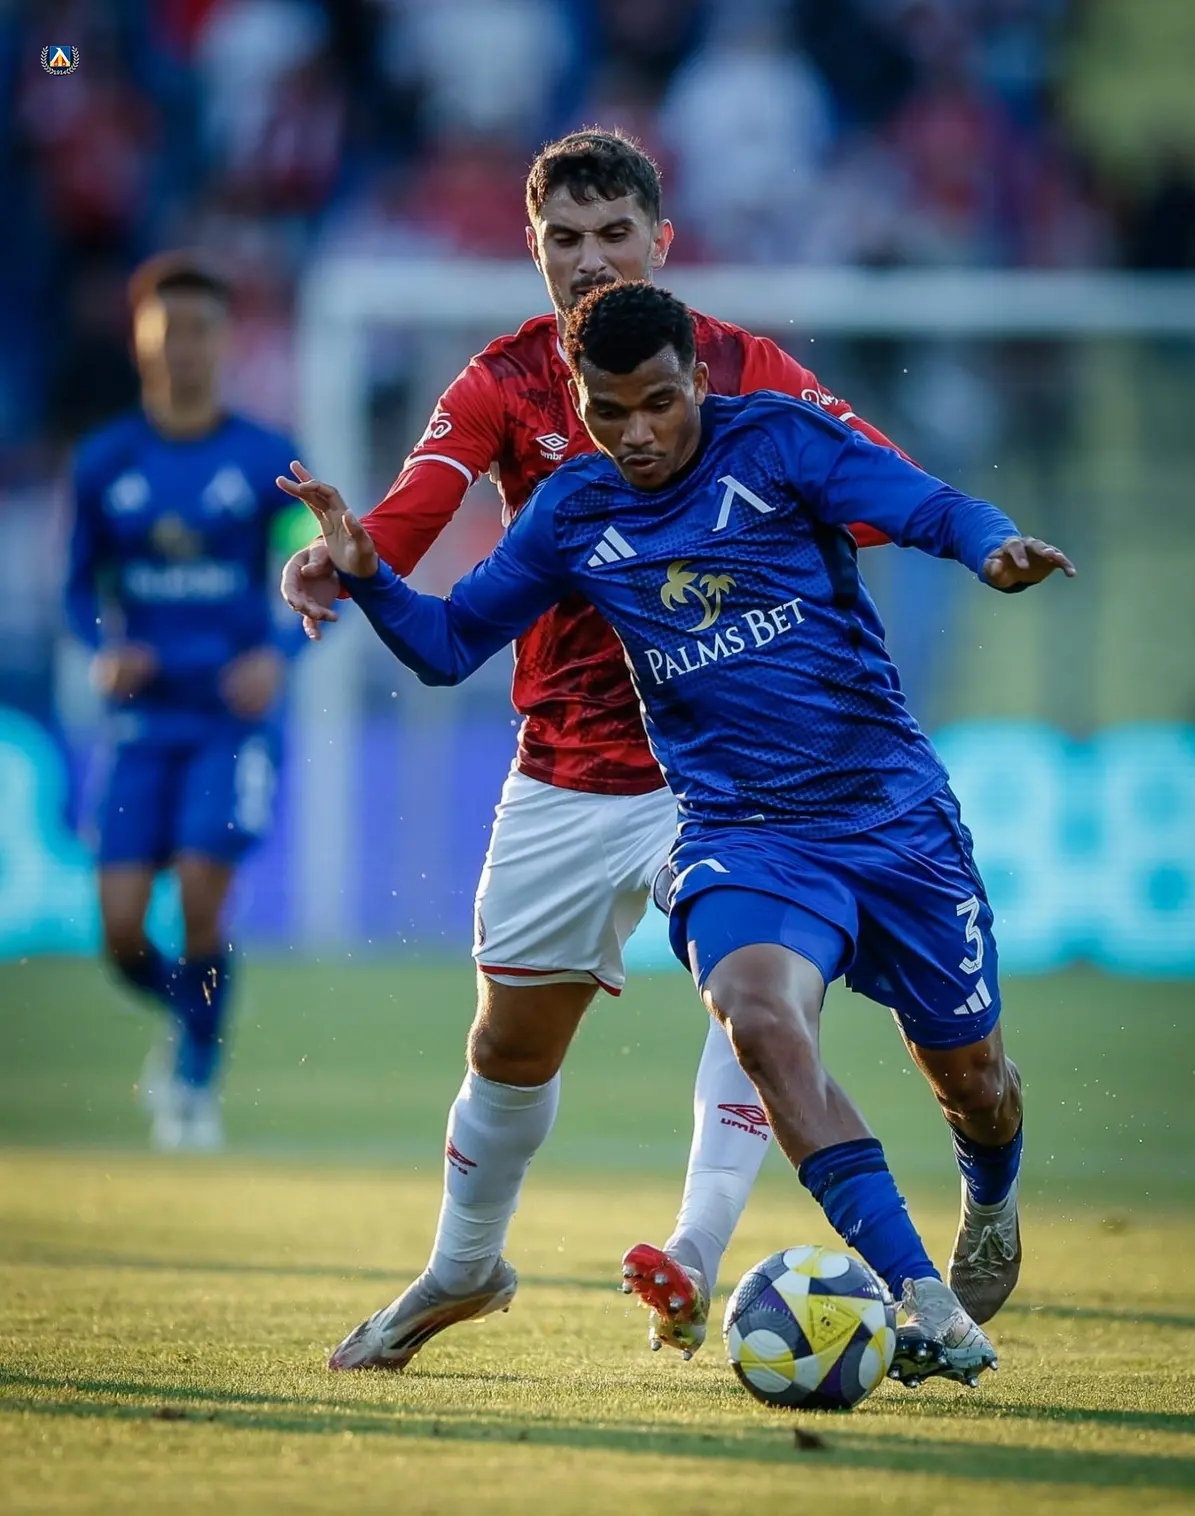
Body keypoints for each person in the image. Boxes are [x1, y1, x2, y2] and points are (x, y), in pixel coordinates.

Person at [280, 280, 1074, 1386]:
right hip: (745, 831)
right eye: (609, 412)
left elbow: (924, 505)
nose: (638, 434)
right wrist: (368, 574)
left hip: (890, 813)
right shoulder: (574, 509)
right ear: (581, 403)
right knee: (758, 1014)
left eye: (659, 403)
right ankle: (920, 1296)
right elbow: (453, 644)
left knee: (975, 1080)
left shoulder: (779, 444)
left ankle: (990, 1193)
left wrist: (991, 546)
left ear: (699, 378)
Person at [282, 129, 908, 1364]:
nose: (589, 259)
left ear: (660, 241)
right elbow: (407, 518)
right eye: (562, 239)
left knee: (756, 1000)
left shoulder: (744, 369)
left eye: (614, 233)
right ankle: (464, 1268)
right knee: (508, 1047)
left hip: (728, 767)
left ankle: (694, 1250)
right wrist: (340, 563)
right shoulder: (503, 382)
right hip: (566, 762)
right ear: (533, 249)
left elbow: (879, 488)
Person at [65, 253, 308, 1150]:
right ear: (140, 341)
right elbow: (76, 587)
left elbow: (315, 572)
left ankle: (197, 1076)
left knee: (204, 891)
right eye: (168, 332)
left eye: (201, 330)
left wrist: (278, 652)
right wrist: (102, 648)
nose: (184, 348)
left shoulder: (270, 461)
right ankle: (193, 1019)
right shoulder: (104, 462)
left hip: (230, 718)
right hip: (141, 719)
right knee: (120, 932)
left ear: (225, 340)